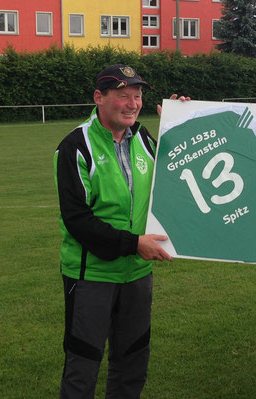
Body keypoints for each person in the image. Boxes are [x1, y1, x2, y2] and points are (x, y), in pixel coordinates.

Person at [54, 64, 185, 398]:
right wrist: (133, 244)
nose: (132, 103)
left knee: (132, 361)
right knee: (83, 364)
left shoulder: (143, 137)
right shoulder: (75, 146)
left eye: (138, 96)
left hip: (137, 275)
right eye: (123, 95)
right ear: (99, 98)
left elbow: (180, 176)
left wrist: (180, 123)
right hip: (91, 277)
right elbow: (77, 220)